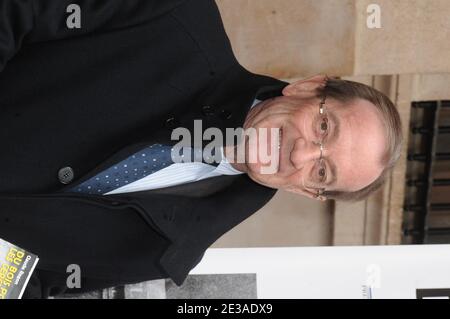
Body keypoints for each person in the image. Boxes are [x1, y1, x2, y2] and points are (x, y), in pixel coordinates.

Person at [0, 0, 402, 298]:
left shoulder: (169, 251)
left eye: (321, 172)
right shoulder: (172, 16)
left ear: (307, 192)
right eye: (323, 127)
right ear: (308, 87)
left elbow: (34, 280)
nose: (301, 155)